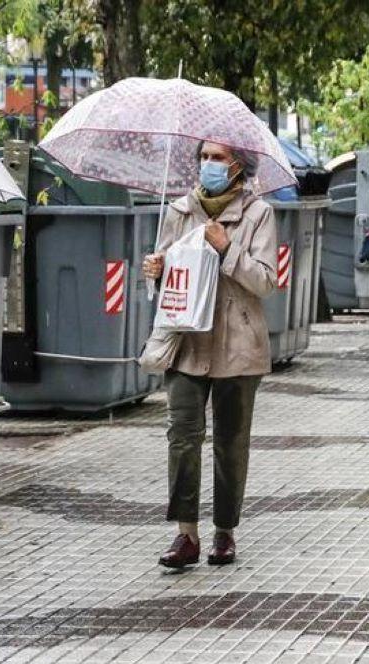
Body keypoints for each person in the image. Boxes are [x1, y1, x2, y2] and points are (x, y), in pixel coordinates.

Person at [142, 141, 277, 568]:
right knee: (182, 436)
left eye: (218, 158)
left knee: (230, 442)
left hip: (238, 344)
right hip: (187, 342)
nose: (209, 165)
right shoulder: (179, 211)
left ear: (238, 166)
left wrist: (227, 248)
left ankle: (224, 532)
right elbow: (165, 281)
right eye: (204, 157)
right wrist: (155, 273)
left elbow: (266, 282)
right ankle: (186, 534)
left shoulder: (259, 214)